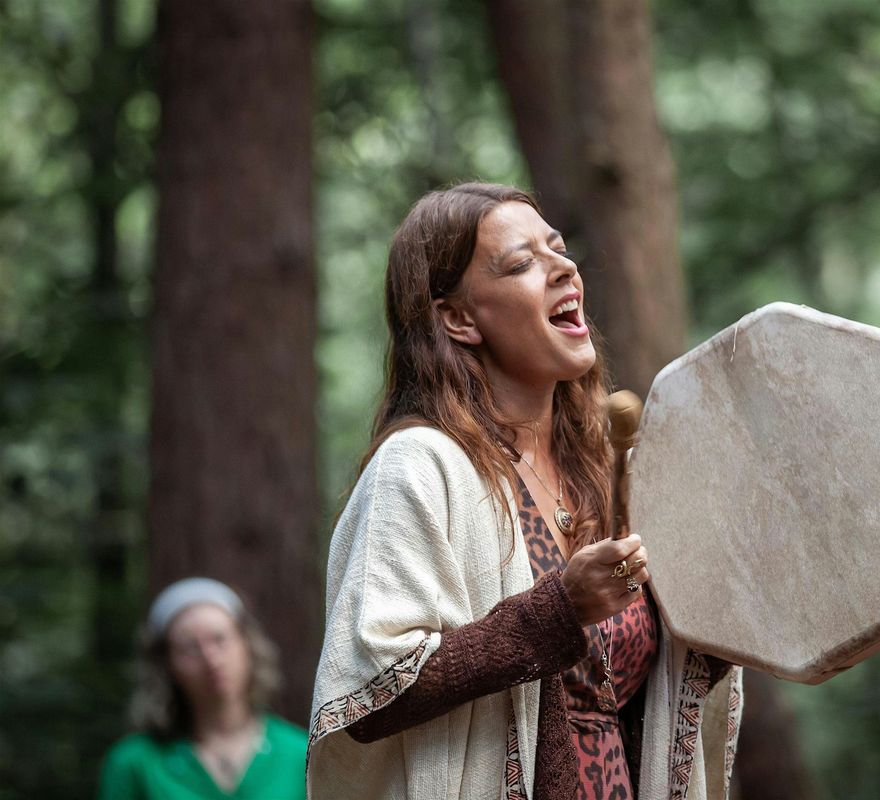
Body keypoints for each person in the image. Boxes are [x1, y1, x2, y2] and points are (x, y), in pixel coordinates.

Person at [308, 183, 742, 800]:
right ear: (458, 319)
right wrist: (558, 611)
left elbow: (655, 692)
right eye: (521, 264)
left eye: (558, 250)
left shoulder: (606, 470)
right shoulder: (418, 467)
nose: (564, 268)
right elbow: (370, 688)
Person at [98, 577, 307, 800]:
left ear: (247, 645)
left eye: (220, 639)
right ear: (167, 665)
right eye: (190, 648)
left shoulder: (301, 753)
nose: (211, 659)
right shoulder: (134, 763)